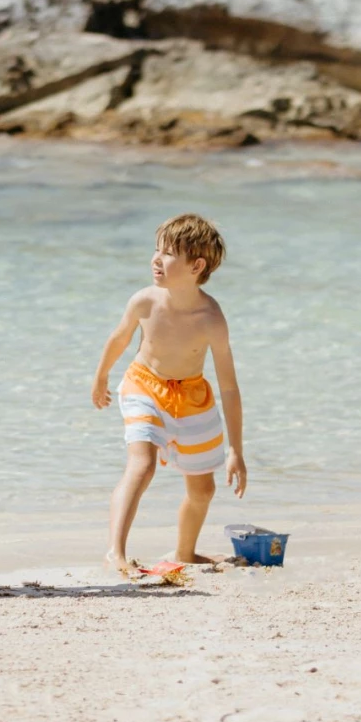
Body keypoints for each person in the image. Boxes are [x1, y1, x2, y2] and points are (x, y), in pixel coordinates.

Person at [90, 213, 248, 575]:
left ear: (197, 265)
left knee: (203, 490)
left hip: (193, 397)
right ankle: (115, 551)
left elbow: (228, 385)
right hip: (144, 384)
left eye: (168, 253)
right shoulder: (145, 301)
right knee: (142, 465)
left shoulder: (211, 318)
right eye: (155, 250)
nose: (156, 260)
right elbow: (119, 338)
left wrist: (235, 450)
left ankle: (185, 552)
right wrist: (101, 378)